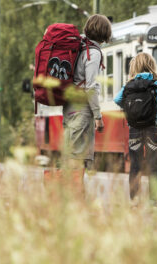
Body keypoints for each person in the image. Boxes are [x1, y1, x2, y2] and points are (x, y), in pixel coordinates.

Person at [61, 14, 112, 192]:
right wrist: (98, 116)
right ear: (104, 32)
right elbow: (90, 87)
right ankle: (75, 194)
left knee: (70, 153)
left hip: (69, 106)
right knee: (76, 156)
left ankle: (70, 193)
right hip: (81, 109)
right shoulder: (93, 53)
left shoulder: (80, 46)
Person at [113, 52, 157, 207]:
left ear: (134, 66)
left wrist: (131, 107)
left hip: (134, 127)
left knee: (135, 164)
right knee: (153, 164)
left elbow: (117, 99)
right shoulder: (155, 83)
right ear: (151, 65)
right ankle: (153, 201)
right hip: (152, 127)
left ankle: (134, 200)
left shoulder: (130, 84)